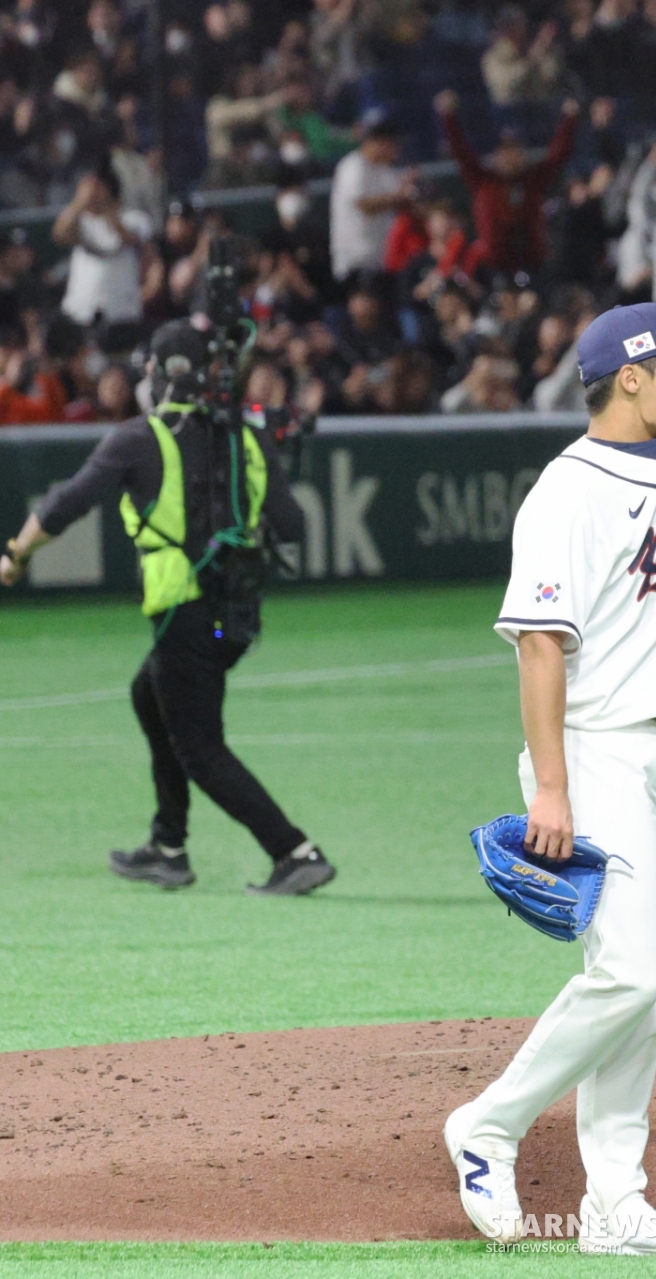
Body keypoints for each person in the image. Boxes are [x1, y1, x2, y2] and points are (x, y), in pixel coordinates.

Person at [443, 301, 656, 1254]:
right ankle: (489, 1124)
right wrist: (550, 785)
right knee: (625, 971)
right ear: (632, 377)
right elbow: (540, 643)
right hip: (592, 752)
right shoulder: (567, 490)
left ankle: (614, 1204)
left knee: (649, 993)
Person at [0, 317, 337, 896]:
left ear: (156, 374)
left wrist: (16, 553)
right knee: (149, 695)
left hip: (183, 612)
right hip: (234, 612)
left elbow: (66, 503)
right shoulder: (244, 436)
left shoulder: (140, 438)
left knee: (201, 748)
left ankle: (293, 850)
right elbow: (293, 525)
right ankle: (168, 845)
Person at [434, 90, 578, 277]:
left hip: (532, 262)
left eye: (514, 152)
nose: (509, 158)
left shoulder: (534, 180)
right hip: (493, 265)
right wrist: (448, 118)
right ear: (495, 157)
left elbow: (558, 155)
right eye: (504, 152)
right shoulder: (483, 180)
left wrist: (569, 120)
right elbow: (461, 152)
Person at [53, 161, 156, 352]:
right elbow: (60, 234)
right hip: (81, 316)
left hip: (121, 318)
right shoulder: (82, 222)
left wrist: (107, 205)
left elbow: (128, 238)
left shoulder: (135, 218)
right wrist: (79, 202)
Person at [329, 110, 409, 283]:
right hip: (355, 263)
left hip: (382, 261)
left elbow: (401, 204)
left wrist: (407, 192)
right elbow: (364, 205)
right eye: (392, 142)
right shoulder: (353, 166)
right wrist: (398, 196)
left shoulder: (386, 171)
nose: (396, 148)